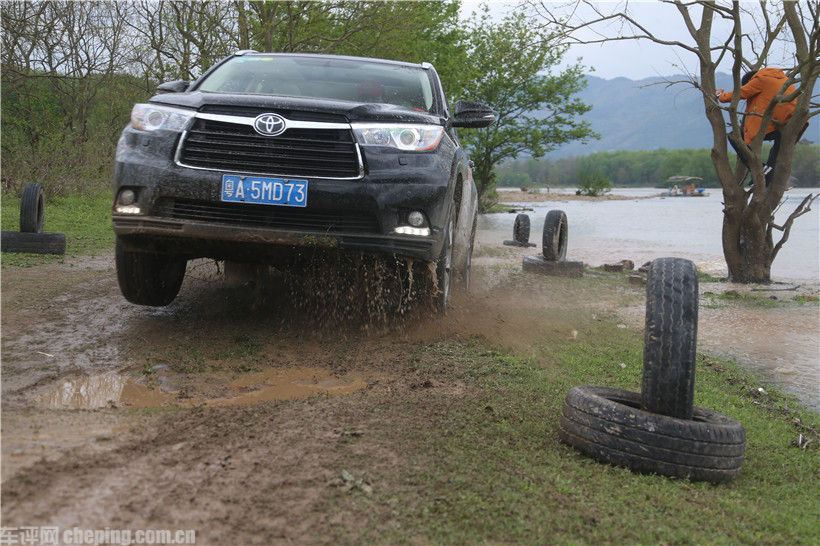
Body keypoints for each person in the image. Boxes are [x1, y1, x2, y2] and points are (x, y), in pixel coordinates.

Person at [716, 68, 797, 184]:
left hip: (773, 124)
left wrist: (720, 95)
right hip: (790, 124)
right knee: (776, 150)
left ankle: (759, 169)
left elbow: (740, 93)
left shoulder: (760, 79)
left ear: (750, 81)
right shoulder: (784, 79)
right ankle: (768, 173)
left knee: (734, 136)